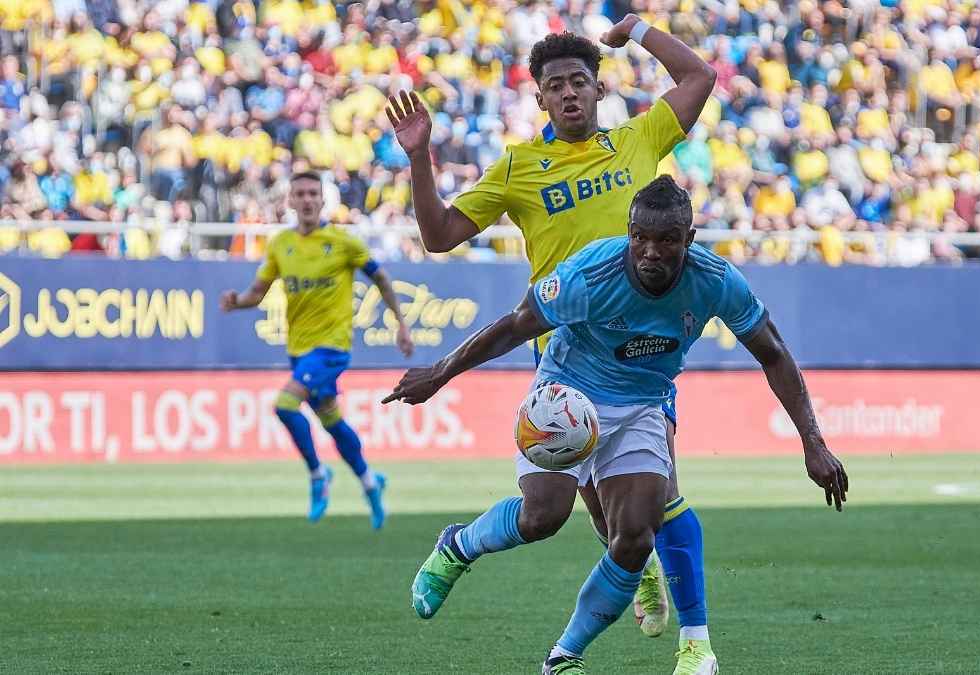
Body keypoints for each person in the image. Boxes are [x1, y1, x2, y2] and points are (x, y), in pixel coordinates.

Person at [384, 176, 849, 675]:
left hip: (643, 404)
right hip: (568, 394)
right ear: (629, 232)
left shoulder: (715, 280)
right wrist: (440, 373)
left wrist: (813, 442)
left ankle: (564, 656)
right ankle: (458, 546)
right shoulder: (590, 275)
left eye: (667, 240)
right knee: (543, 517)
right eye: (640, 237)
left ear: (689, 240)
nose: (650, 251)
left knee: (635, 538)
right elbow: (515, 326)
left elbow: (773, 353)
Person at [385, 17, 722, 672]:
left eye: (579, 81)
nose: (569, 92)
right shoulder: (520, 167)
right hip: (565, 358)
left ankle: (680, 629)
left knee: (652, 500)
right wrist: (420, 158)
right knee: (552, 514)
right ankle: (459, 545)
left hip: (643, 356)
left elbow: (699, 76)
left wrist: (637, 28)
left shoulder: (638, 139)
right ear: (539, 98)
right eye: (555, 85)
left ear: (598, 89)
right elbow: (439, 235)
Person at [220, 171, 414, 529]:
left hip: (332, 348)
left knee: (285, 405)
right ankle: (370, 481)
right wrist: (237, 302)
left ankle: (317, 474)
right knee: (330, 419)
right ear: (290, 201)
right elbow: (257, 293)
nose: (307, 199)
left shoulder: (343, 242)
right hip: (299, 349)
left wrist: (400, 323)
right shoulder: (280, 244)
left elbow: (381, 277)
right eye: (301, 194)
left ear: (323, 200)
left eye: (313, 193)